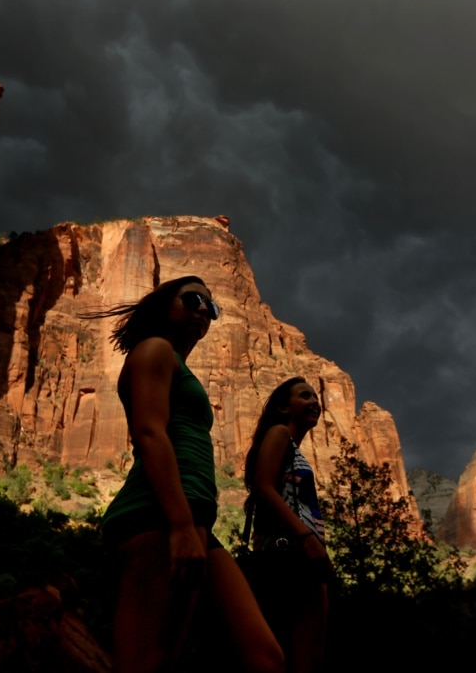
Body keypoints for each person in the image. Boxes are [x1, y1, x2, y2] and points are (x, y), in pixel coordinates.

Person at [87, 276, 284, 673]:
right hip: (156, 515)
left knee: (265, 657)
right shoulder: (154, 349)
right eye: (192, 299)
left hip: (194, 519)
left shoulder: (177, 364)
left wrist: (188, 524)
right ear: (164, 305)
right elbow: (148, 433)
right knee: (147, 662)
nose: (201, 310)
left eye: (210, 307)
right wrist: (178, 525)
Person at [243, 377, 330, 673]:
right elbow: (263, 487)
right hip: (289, 555)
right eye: (304, 396)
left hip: (303, 556)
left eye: (315, 397)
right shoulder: (279, 433)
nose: (314, 402)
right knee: (299, 654)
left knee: (308, 655)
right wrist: (306, 538)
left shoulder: (294, 448)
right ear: (283, 407)